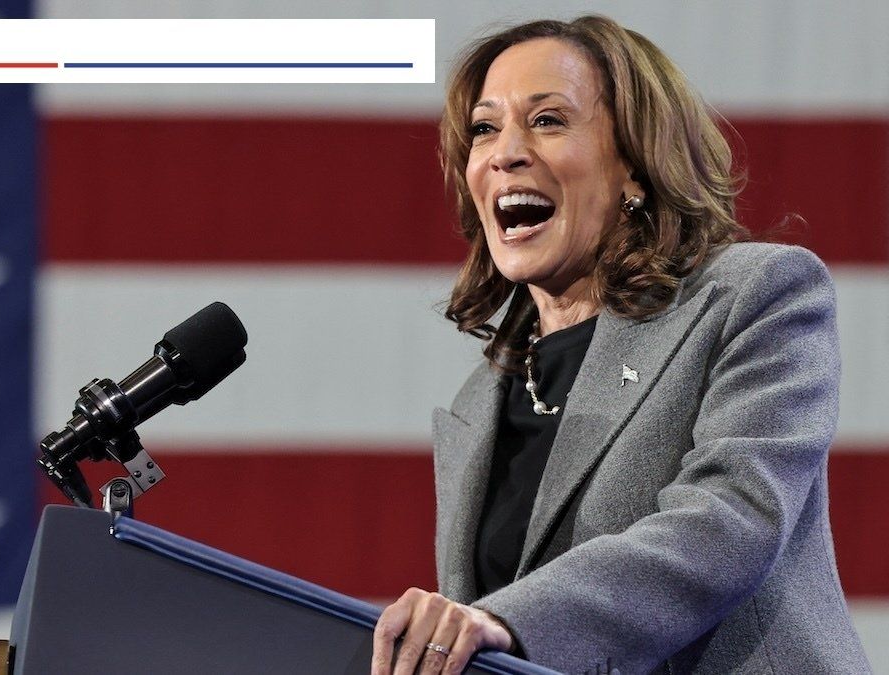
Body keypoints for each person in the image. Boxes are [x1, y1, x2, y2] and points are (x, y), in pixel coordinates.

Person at [371, 15, 871, 675]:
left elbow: (727, 521)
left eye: (547, 120)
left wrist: (507, 620)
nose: (505, 153)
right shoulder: (480, 405)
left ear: (634, 164)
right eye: (485, 129)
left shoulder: (753, 297)